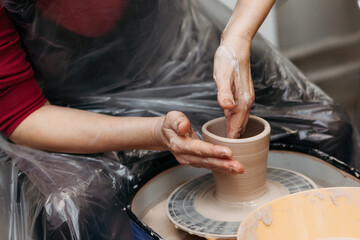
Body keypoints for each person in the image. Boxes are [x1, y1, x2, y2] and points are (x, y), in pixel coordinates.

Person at [0, 0, 275, 175]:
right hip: (64, 110)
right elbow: (22, 112)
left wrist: (238, 36)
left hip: (174, 50)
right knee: (79, 204)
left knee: (295, 114)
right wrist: (156, 133)